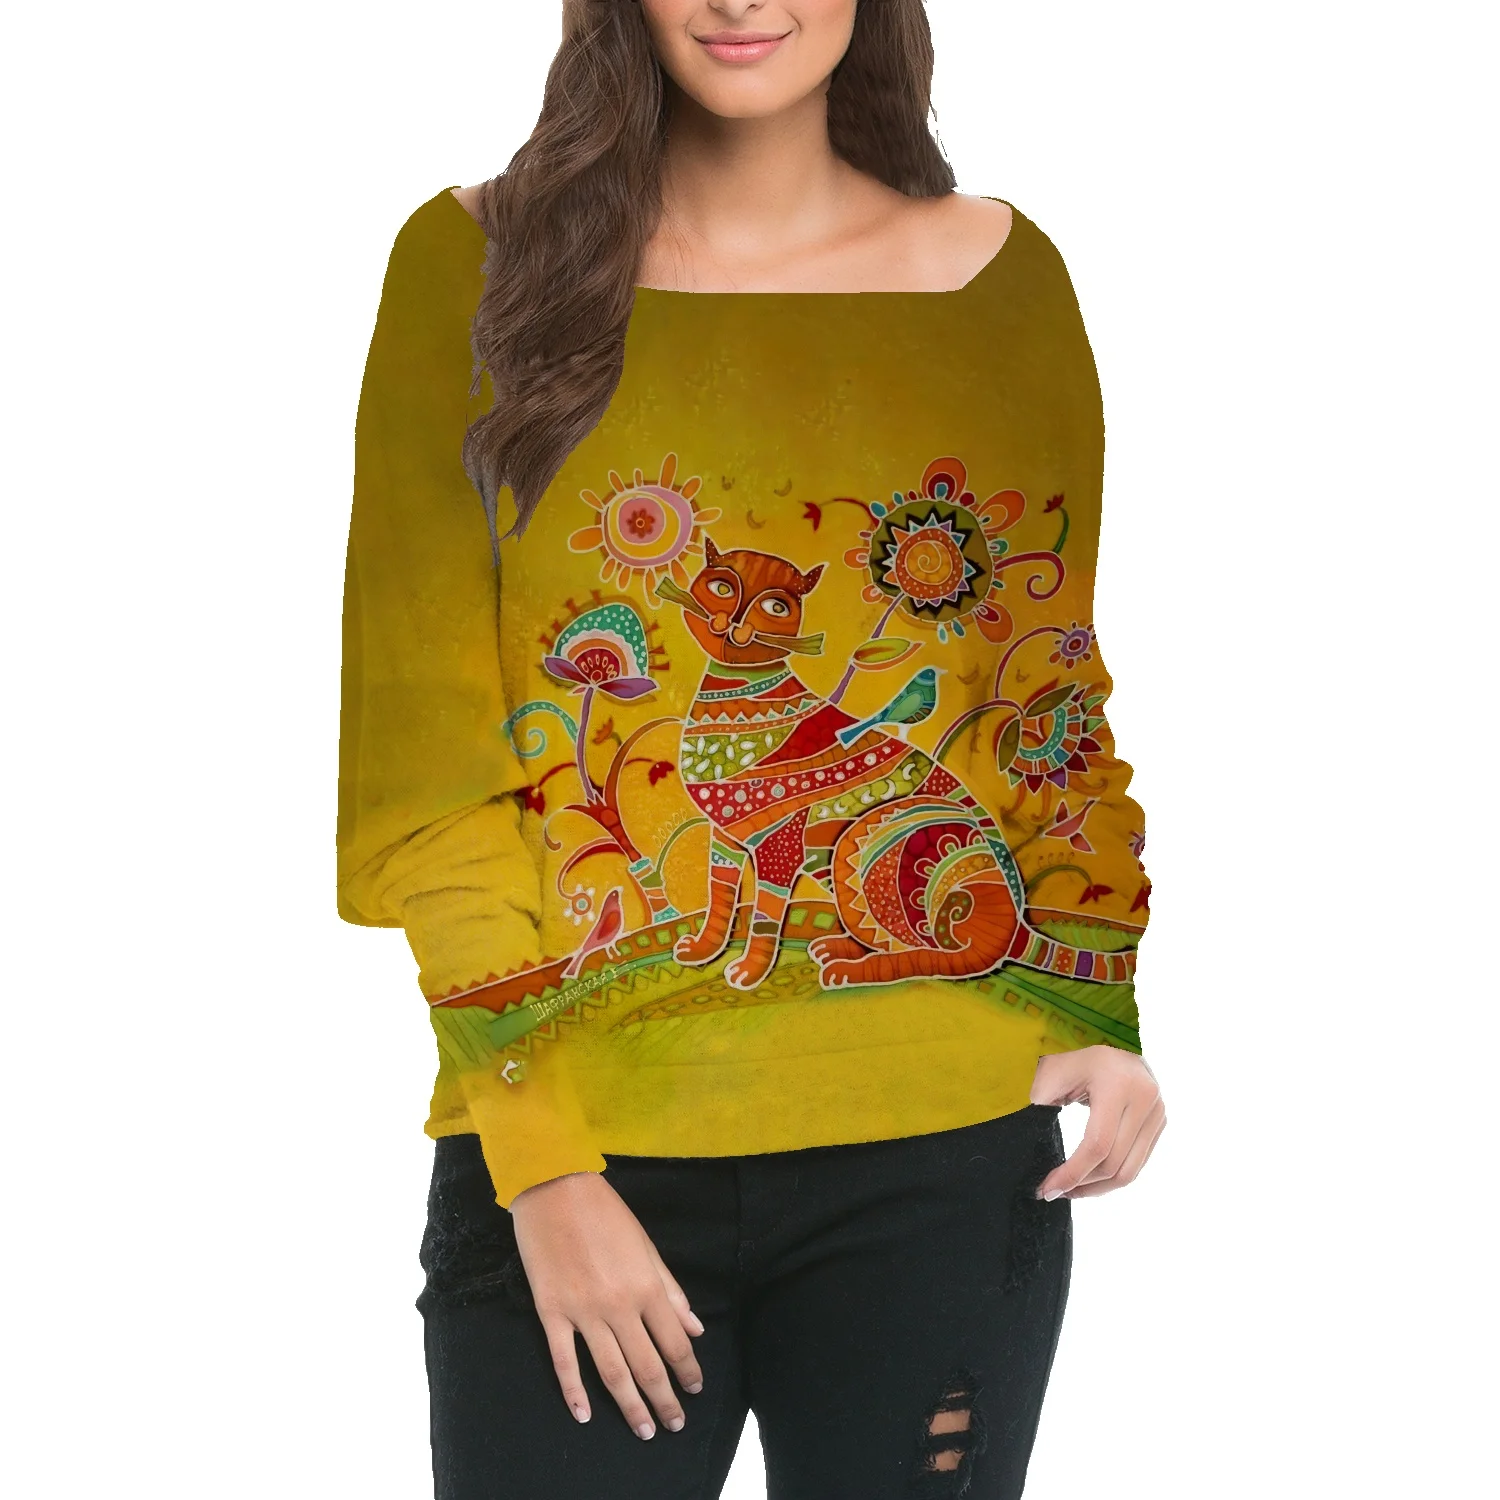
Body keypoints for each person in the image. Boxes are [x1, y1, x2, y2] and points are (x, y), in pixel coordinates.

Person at [336, 2, 1167, 1495]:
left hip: (948, 1160)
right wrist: (545, 1162)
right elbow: (427, 778)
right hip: (575, 1160)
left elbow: (1041, 687)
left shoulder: (1000, 278)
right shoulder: (470, 266)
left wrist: (1094, 990)